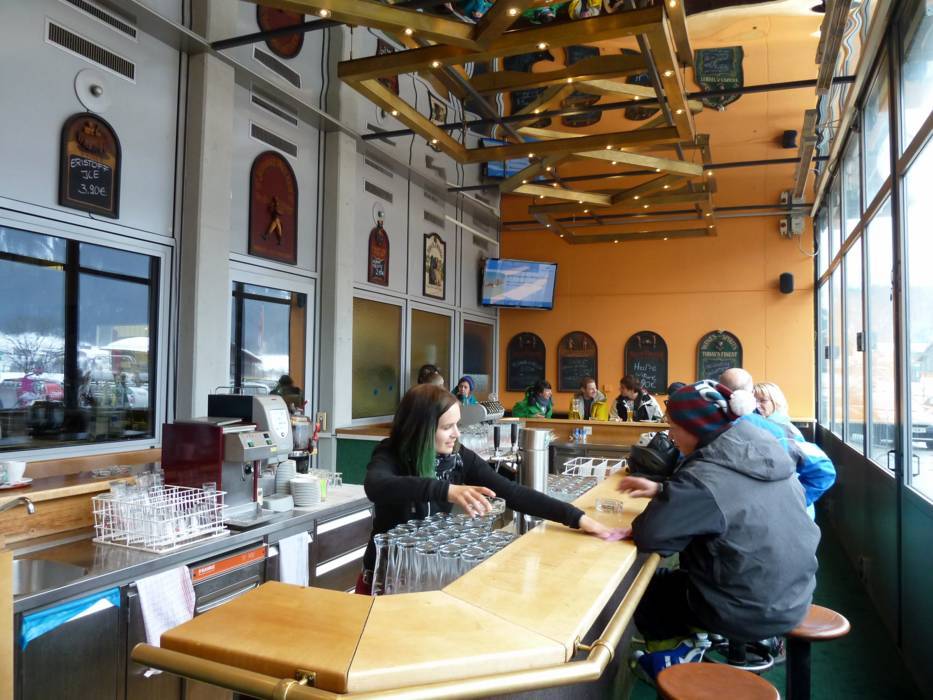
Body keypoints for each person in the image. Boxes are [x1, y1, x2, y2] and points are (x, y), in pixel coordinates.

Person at [359, 384, 623, 593]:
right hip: (383, 580)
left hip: (429, 579)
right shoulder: (390, 452)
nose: (456, 434)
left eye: (457, 425)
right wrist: (445, 490)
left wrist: (576, 517)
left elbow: (513, 493)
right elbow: (377, 486)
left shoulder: (458, 457)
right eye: (447, 427)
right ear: (422, 429)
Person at [618, 380, 819, 645]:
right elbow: (733, 495)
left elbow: (650, 535)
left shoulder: (704, 474)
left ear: (695, 428)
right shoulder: (763, 448)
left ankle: (671, 657)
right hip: (795, 594)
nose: (671, 437)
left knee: (647, 588)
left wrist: (672, 494)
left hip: (749, 609)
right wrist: (663, 489)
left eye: (673, 428)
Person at [754, 381, 836, 517]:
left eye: (763, 400)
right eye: (754, 401)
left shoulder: (786, 432)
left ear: (776, 402)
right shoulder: (760, 426)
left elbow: (824, 471)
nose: (757, 405)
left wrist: (799, 500)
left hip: (790, 512)